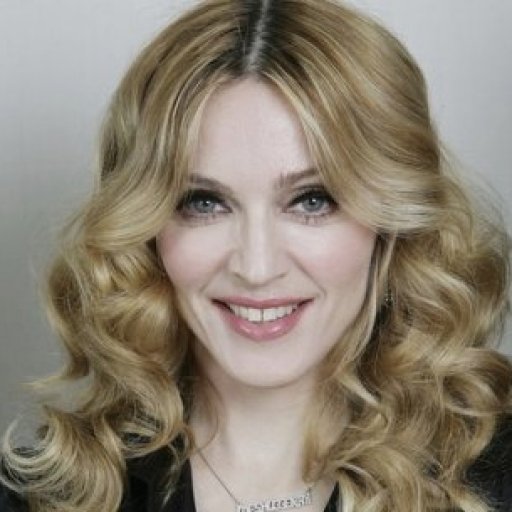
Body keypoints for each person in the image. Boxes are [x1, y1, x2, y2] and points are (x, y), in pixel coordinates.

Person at [1, 0, 511, 511]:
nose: (256, 268)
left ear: (391, 221)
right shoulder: (40, 498)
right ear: (146, 227)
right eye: (204, 202)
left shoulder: (497, 478)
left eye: (312, 200)